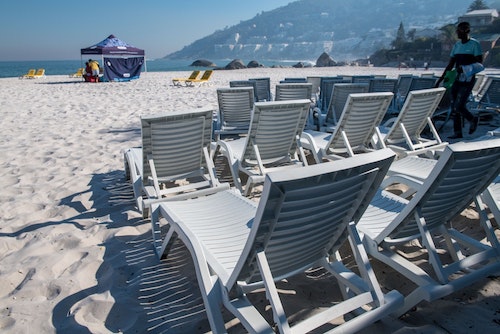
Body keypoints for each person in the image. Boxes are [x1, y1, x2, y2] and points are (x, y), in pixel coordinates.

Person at [435, 21, 483, 139]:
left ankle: (472, 119)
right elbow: (450, 64)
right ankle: (457, 133)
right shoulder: (457, 45)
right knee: (453, 106)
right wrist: (440, 79)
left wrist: (466, 68)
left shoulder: (474, 44)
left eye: (459, 30)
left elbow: (479, 62)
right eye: (457, 30)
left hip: (468, 79)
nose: (457, 32)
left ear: (466, 30)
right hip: (456, 79)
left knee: (459, 106)